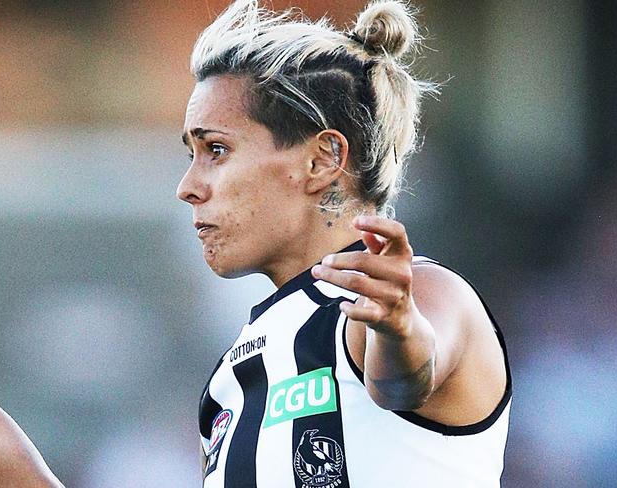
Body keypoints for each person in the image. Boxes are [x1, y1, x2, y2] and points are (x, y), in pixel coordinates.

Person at [177, 1, 511, 487]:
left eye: (216, 150)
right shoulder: (231, 376)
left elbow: (403, 377)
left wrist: (398, 330)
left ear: (321, 160)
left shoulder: (421, 294)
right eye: (193, 154)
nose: (187, 185)